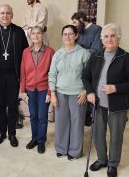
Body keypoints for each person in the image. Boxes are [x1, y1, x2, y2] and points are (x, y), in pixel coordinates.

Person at [82, 23, 129, 177]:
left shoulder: (126, 58)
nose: (109, 39)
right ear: (102, 39)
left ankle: (113, 163)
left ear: (118, 39)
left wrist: (115, 88)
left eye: (112, 36)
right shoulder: (96, 56)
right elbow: (85, 76)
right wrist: (89, 92)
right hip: (98, 104)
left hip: (118, 105)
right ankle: (102, 159)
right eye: (106, 36)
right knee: (98, 133)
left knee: (116, 135)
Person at [0, 4, 28, 147]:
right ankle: (2, 132)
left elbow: (26, 54)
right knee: (0, 105)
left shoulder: (19, 32)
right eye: (2, 13)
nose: (5, 15)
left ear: (12, 15)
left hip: (14, 75)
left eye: (8, 13)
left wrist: (24, 76)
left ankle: (12, 133)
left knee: (13, 105)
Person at [48, 25, 90, 160]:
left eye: (71, 34)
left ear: (76, 36)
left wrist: (85, 91)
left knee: (77, 123)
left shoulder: (84, 53)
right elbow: (52, 74)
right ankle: (61, 148)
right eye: (65, 34)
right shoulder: (57, 54)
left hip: (78, 94)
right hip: (60, 93)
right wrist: (53, 93)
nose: (67, 37)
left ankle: (75, 151)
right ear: (62, 37)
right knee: (61, 122)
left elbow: (90, 75)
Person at [20, 26, 54, 154]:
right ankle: (34, 138)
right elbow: (22, 72)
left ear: (42, 35)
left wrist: (50, 92)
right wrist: (22, 90)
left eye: (38, 33)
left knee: (42, 116)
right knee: (33, 115)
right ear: (30, 36)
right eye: (33, 33)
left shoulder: (50, 52)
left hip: (44, 89)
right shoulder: (25, 52)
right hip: (29, 89)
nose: (36, 36)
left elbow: (53, 74)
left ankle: (41, 141)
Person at [71, 11, 102, 126]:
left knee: (90, 89)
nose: (74, 25)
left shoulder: (97, 29)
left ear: (81, 19)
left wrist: (81, 52)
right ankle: (82, 115)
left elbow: (96, 49)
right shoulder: (79, 32)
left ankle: (91, 115)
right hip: (79, 65)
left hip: (92, 65)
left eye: (75, 22)